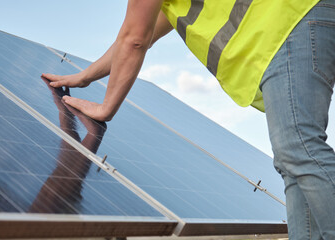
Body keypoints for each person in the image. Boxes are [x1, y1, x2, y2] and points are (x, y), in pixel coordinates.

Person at [42, 0, 335, 239]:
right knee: (292, 163)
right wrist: (83, 77)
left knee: (297, 149)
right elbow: (133, 38)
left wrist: (107, 107)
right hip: (293, 23)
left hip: (291, 21)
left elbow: (135, 39)